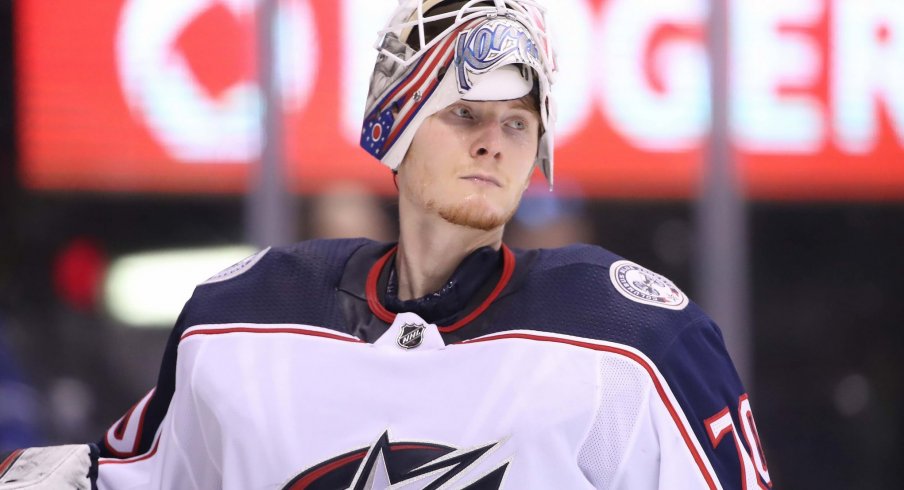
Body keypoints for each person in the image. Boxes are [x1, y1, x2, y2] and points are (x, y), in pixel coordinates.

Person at [0, 0, 772, 488]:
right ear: (395, 122)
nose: (493, 145)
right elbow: (124, 476)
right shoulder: (242, 320)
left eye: (516, 123)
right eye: (464, 115)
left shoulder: (634, 341)